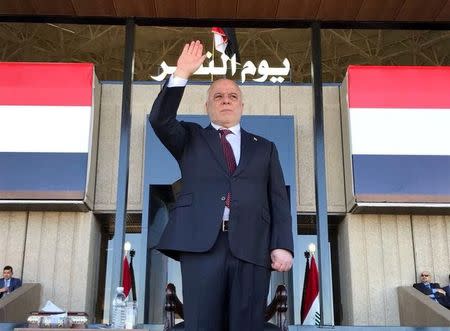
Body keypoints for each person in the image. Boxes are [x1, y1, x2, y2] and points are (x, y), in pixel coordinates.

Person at [150, 40, 294, 331]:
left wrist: (282, 245)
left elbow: (278, 200)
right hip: (203, 246)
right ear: (207, 106)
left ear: (241, 104)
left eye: (232, 96)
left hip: (253, 247)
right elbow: (160, 119)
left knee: (247, 325)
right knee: (202, 324)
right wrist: (181, 74)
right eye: (218, 96)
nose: (225, 100)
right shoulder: (189, 138)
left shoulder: (265, 148)